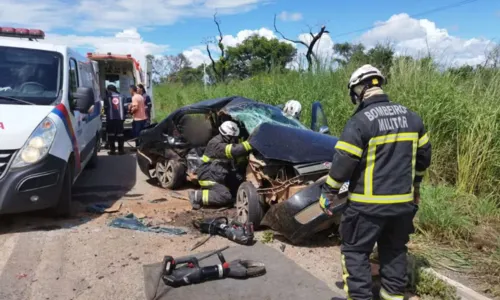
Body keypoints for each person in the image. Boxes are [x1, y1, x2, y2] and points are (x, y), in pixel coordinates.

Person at [318, 64, 432, 300]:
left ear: (359, 90)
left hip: (366, 207)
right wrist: (416, 187)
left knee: (355, 252)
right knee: (394, 252)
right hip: (402, 206)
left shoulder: (360, 122)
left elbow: (344, 162)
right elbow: (423, 159)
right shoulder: (413, 118)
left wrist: (328, 191)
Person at [188, 121, 253, 210]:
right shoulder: (216, 144)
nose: (234, 139)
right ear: (227, 136)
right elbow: (233, 151)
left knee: (239, 180)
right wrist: (250, 144)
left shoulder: (223, 141)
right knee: (225, 196)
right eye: (233, 137)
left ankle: (214, 191)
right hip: (208, 175)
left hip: (217, 172)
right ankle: (197, 196)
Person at [103, 84, 126, 155]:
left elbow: (106, 108)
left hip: (111, 118)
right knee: (120, 134)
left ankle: (112, 150)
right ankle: (121, 150)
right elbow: (125, 108)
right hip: (120, 118)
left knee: (111, 134)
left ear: (109, 90)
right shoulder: (122, 96)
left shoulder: (107, 97)